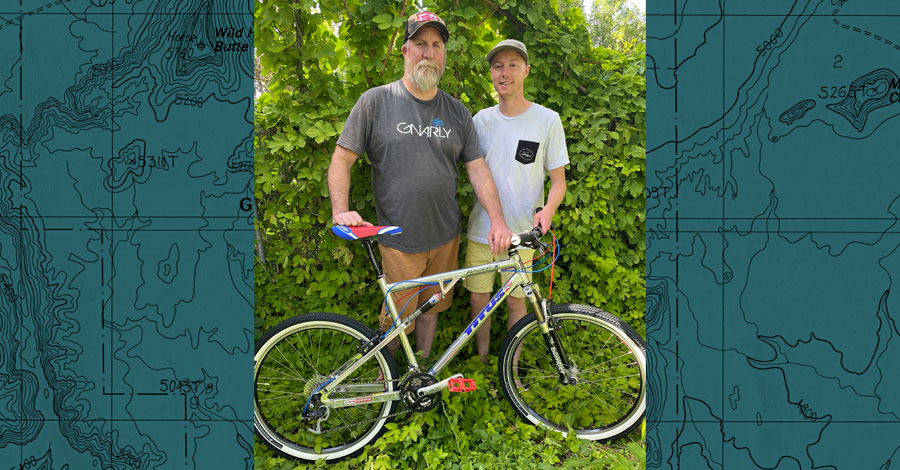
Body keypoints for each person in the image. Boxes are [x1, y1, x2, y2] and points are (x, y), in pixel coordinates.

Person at [327, 11, 512, 358]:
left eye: (436, 45)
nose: (429, 52)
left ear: (444, 53)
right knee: (396, 321)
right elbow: (341, 160)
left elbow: (478, 170)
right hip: (400, 241)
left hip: (445, 236)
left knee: (432, 309)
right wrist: (340, 210)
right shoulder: (376, 101)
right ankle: (390, 381)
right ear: (405, 51)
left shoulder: (457, 112)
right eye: (421, 44)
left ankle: (422, 369)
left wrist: (498, 220)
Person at [463, 39, 569, 362]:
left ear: (526, 70)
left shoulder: (547, 121)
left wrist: (548, 211)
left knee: (515, 303)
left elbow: (559, 182)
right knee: (479, 301)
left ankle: (511, 371)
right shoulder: (480, 120)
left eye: (512, 65)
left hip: (522, 234)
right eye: (498, 66)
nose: (504, 73)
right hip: (481, 231)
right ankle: (482, 361)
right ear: (491, 74)